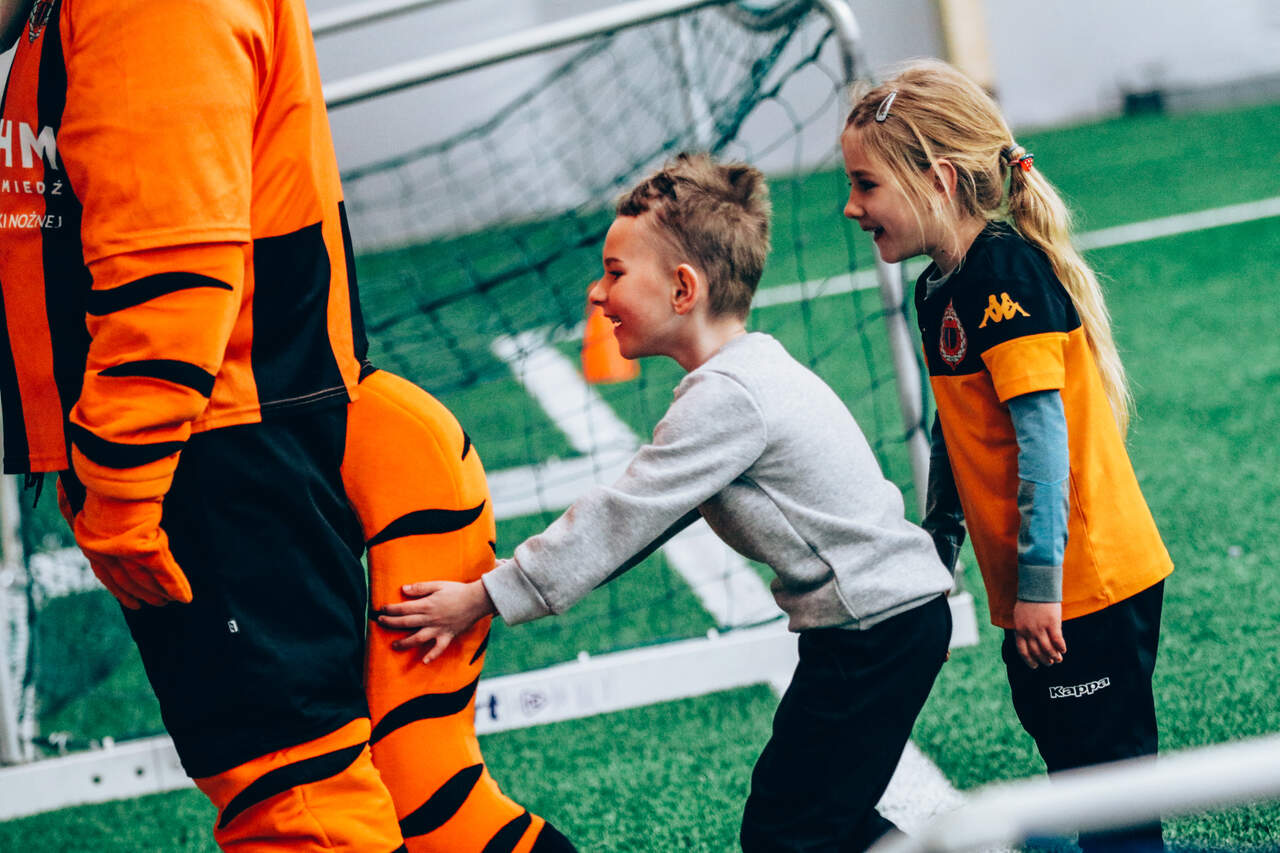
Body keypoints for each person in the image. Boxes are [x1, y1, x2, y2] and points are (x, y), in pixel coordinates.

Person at [0, 1, 571, 849]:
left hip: (213, 444)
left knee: (299, 803)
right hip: (220, 433)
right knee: (338, 790)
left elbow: (172, 257)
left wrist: (119, 483)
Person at [375, 153, 956, 853]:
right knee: (817, 818)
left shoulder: (728, 398)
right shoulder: (744, 376)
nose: (597, 293)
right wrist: (508, 592)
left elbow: (621, 514)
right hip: (878, 623)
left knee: (791, 828)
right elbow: (640, 526)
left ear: (683, 288)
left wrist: (481, 597)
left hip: (876, 629)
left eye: (615, 273)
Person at [840, 60, 1173, 851]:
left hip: (1083, 584)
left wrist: (1039, 588)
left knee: (1111, 797)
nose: (852, 207)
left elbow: (1042, 443)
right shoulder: (937, 289)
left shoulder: (1005, 274)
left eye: (866, 185)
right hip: (1043, 590)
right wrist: (940, 539)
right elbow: (958, 427)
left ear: (939, 180)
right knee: (1077, 772)